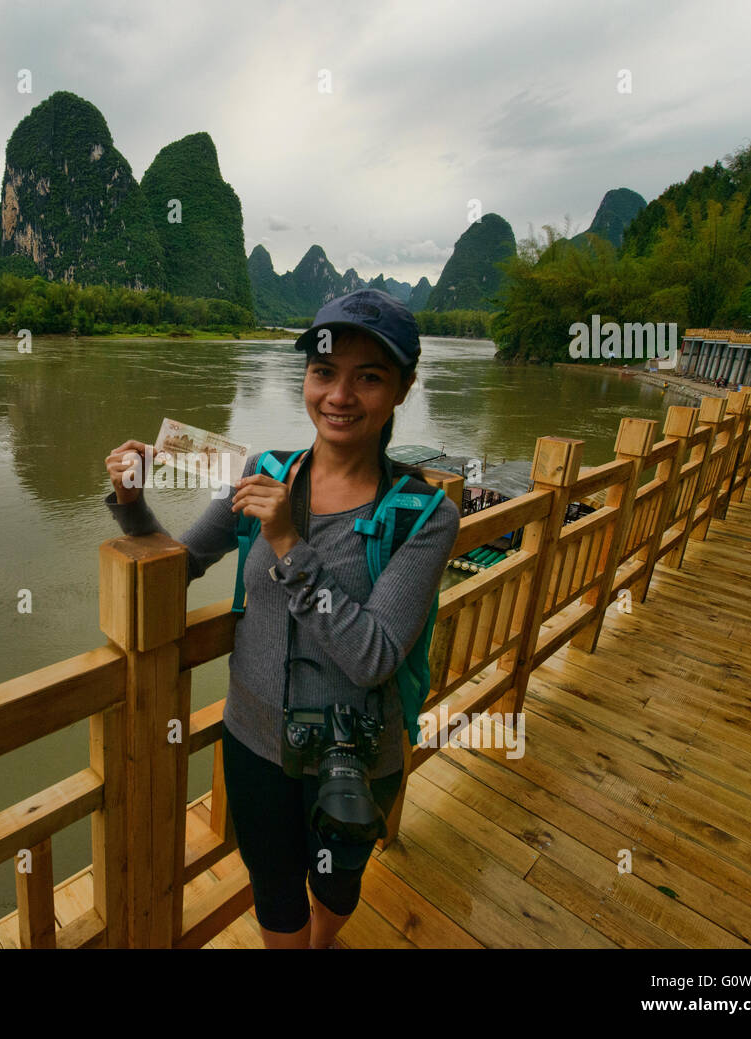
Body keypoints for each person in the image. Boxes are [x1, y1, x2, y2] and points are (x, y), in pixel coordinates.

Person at [102, 289, 460, 948]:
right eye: (324, 372)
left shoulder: (424, 515)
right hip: (255, 745)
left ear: (404, 388)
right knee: (273, 885)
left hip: (354, 755)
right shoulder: (260, 470)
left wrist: (292, 543)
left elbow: (375, 654)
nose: (339, 395)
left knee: (335, 886)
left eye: (369, 377)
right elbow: (178, 565)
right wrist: (131, 503)